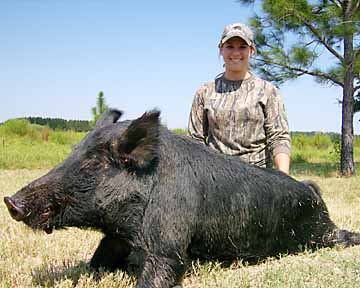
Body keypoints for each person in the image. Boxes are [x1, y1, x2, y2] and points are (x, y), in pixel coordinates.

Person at [188, 22, 291, 174]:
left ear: (252, 51)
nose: (236, 53)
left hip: (258, 178)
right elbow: (194, 142)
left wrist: (283, 177)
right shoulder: (204, 92)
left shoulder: (268, 91)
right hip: (216, 179)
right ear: (220, 50)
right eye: (230, 46)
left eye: (242, 47)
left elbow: (279, 138)